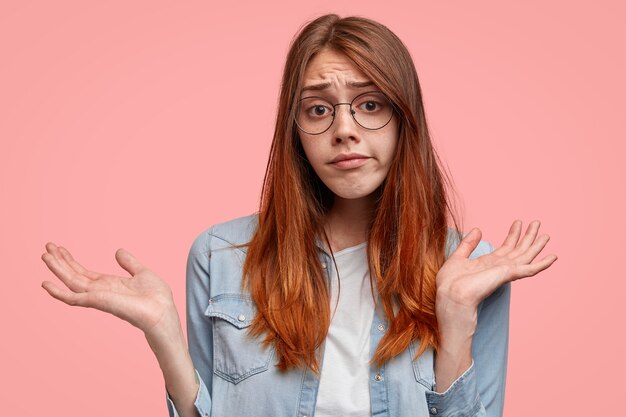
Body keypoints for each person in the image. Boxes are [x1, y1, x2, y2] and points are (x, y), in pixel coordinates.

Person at [41, 14, 557, 417]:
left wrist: (457, 315)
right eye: (318, 108)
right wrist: (165, 335)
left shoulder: (466, 269)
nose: (345, 129)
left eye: (371, 104)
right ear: (295, 131)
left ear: (405, 120)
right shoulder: (219, 255)